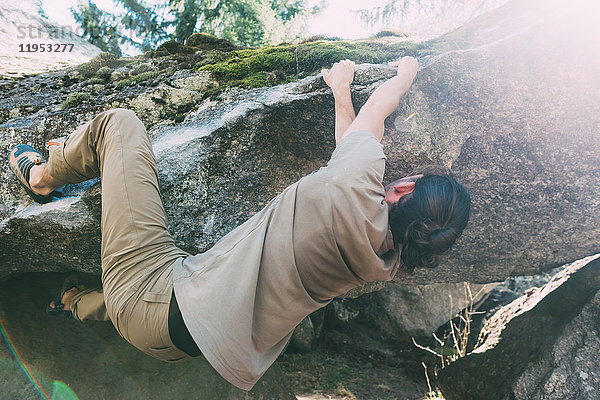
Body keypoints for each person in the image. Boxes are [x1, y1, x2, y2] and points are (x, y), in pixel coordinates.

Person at [8, 57, 470, 390]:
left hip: (160, 296)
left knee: (119, 125)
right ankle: (72, 302)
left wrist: (405, 73)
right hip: (190, 343)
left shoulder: (352, 186)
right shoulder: (382, 262)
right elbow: (349, 146)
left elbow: (374, 121)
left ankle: (42, 175)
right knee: (127, 304)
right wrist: (340, 93)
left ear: (404, 190)